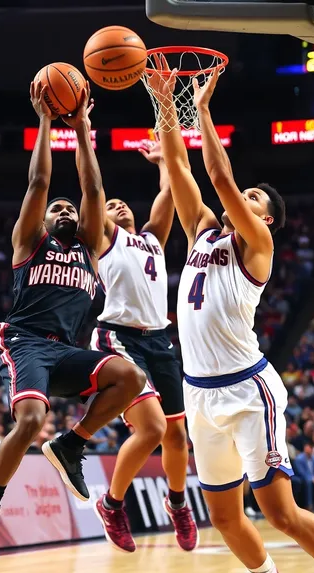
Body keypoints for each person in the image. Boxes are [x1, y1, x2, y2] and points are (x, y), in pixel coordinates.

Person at [148, 60, 314, 573]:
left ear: (265, 219)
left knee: (279, 513)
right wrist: (165, 104)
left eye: (255, 197)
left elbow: (218, 175)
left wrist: (202, 109)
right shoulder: (202, 233)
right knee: (224, 515)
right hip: (198, 391)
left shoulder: (257, 244)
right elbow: (179, 171)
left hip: (246, 390)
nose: (246, 195)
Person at [0, 80, 145, 565]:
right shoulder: (30, 242)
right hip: (23, 342)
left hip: (65, 349)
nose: (64, 209)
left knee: (130, 377)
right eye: (56, 210)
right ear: (41, 221)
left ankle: (72, 445)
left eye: (70, 209)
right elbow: (39, 184)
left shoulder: (90, 248)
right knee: (30, 420)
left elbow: (92, 188)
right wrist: (45, 122)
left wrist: (83, 130)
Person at [85, 126, 197, 552]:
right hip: (118, 338)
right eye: (111, 206)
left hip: (160, 340)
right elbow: (95, 200)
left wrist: (164, 162)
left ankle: (178, 502)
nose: (118, 206)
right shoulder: (104, 239)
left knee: (175, 436)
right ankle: (112, 504)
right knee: (150, 429)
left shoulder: (151, 238)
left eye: (122, 202)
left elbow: (170, 194)